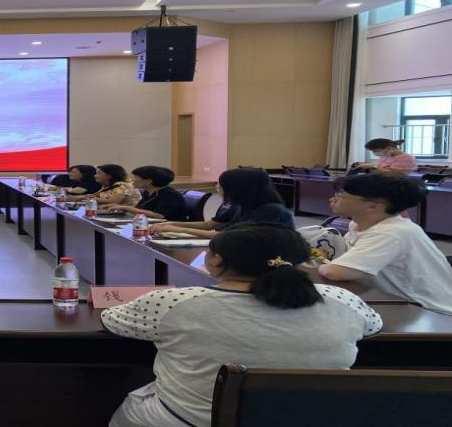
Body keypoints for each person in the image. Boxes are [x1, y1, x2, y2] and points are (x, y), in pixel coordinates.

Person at [102, 223, 382, 427]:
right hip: (311, 418)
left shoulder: (172, 303)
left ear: (215, 260)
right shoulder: (343, 300)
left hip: (190, 421)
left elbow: (112, 319)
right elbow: (373, 327)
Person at [319, 174, 452, 315]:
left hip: (431, 312)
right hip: (398, 302)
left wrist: (320, 262)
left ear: (373, 206)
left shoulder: (392, 232)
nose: (332, 199)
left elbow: (335, 272)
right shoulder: (359, 224)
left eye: (341, 196)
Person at [149, 168, 293, 238]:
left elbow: (233, 237)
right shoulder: (238, 204)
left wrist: (180, 230)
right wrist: (170, 225)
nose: (217, 186)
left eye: (221, 184)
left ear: (239, 187)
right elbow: (209, 225)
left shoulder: (270, 210)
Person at [108, 166, 188, 221]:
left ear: (149, 181)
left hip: (169, 229)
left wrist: (126, 208)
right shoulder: (147, 192)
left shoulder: (170, 195)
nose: (132, 180)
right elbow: (140, 209)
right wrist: (120, 207)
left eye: (135, 177)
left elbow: (159, 215)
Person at [70, 164, 141, 207]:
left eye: (99, 173)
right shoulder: (106, 186)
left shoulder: (123, 186)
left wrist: (89, 198)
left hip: (129, 217)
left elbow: (113, 201)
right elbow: (94, 196)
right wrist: (78, 198)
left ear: (109, 176)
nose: (95, 176)